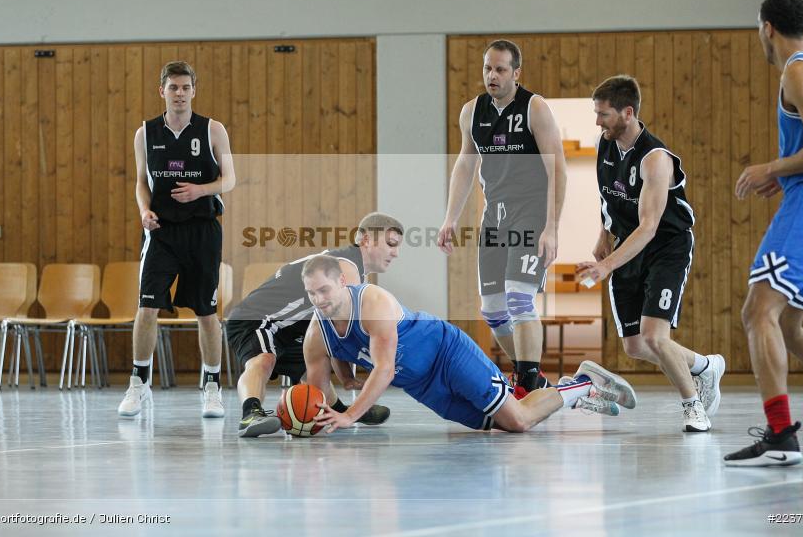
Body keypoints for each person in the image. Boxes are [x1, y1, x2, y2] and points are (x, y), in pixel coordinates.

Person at [302, 255, 637, 433]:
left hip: (447, 353)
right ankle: (569, 391)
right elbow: (319, 394)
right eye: (312, 293)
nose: (319, 300)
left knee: (518, 421)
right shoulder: (317, 336)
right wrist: (307, 418)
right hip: (422, 385)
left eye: (324, 290)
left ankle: (583, 384)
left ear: (342, 283)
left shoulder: (372, 302)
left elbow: (385, 368)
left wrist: (350, 417)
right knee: (501, 424)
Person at [725, 0, 803, 466]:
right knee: (788, 324)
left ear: (766, 27)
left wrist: (772, 166)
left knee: (758, 312)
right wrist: (786, 171)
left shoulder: (796, 70)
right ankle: (780, 433)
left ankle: (779, 435)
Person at [576, 75, 725, 433]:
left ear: (628, 113)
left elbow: (648, 226)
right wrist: (603, 234)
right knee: (635, 346)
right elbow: (609, 196)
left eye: (604, 114)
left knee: (656, 337)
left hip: (665, 246)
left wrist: (604, 267)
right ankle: (705, 365)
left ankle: (693, 406)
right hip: (628, 243)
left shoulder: (656, 160)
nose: (598, 121)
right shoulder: (605, 144)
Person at [438, 39, 567, 398]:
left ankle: (526, 383)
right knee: (492, 309)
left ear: (516, 73)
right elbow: (465, 164)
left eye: (500, 69)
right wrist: (450, 217)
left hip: (530, 214)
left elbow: (557, 169)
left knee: (519, 300)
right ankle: (532, 375)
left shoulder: (534, 108)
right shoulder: (471, 111)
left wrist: (551, 227)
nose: (491, 75)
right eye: (487, 68)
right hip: (494, 217)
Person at [118, 61, 236, 419]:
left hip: (202, 230)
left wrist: (200, 189)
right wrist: (143, 209)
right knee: (147, 307)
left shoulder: (213, 130)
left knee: (205, 311)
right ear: (162, 91)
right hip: (161, 231)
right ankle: (139, 384)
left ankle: (212, 387)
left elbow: (229, 180)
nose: (180, 93)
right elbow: (141, 181)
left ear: (194, 91)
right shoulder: (145, 133)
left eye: (186, 87)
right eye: (173, 87)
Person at [227, 212, 404, 437]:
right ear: (367, 239)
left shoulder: (353, 272)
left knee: (313, 368)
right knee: (264, 359)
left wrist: (346, 376)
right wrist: (354, 371)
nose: (395, 253)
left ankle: (337, 410)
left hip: (288, 328)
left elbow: (334, 332)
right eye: (391, 244)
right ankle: (250, 413)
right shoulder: (345, 267)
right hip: (256, 317)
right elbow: (341, 330)